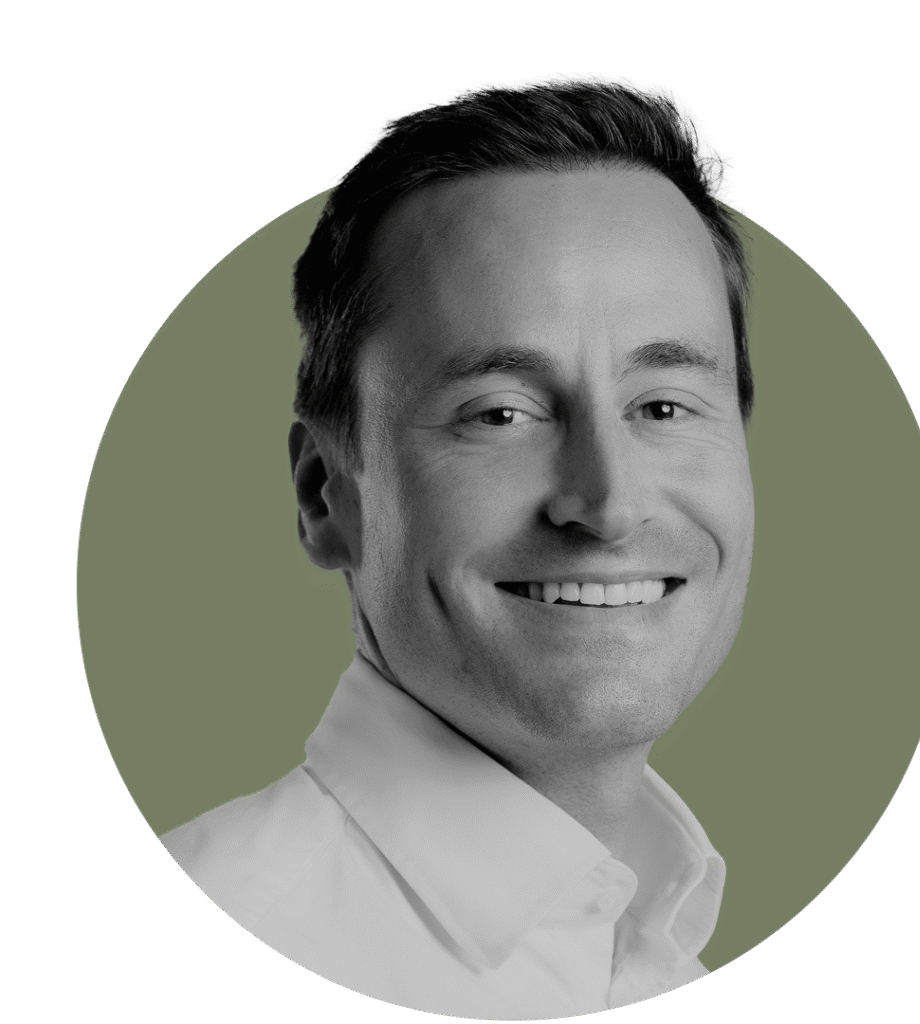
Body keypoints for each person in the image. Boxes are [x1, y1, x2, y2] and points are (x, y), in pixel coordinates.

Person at [161, 73, 756, 1017]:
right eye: (500, 413)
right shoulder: (246, 912)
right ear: (325, 493)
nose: (608, 505)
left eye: (663, 407)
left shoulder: (656, 950)